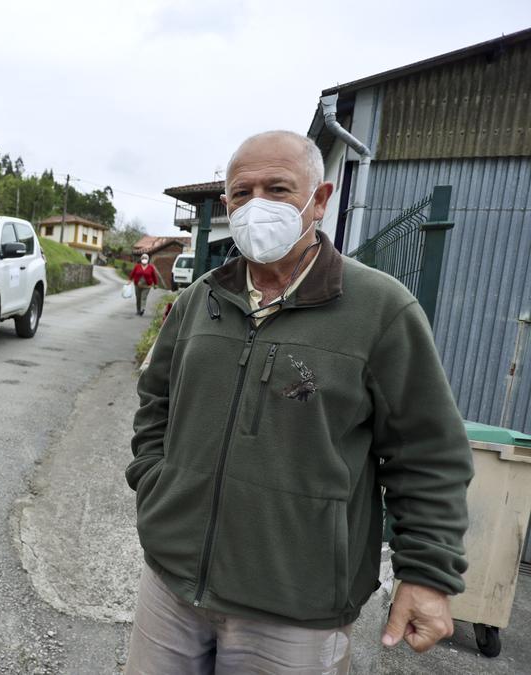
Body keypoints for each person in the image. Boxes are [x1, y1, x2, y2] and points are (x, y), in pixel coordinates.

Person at [124, 130, 472, 674]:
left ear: (321, 198)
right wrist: (155, 483)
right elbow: (156, 401)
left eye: (278, 189)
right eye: (242, 194)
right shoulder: (200, 299)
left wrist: (426, 574)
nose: (256, 205)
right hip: (171, 584)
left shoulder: (381, 310)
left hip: (295, 606)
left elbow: (427, 454)